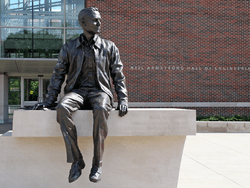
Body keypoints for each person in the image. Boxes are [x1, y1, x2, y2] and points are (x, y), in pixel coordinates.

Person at [33, 7, 128, 183]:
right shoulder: (69, 47)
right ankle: (77, 160)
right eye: (95, 20)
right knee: (62, 108)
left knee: (100, 109)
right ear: (83, 23)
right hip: (77, 92)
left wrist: (123, 98)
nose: (99, 23)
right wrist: (48, 101)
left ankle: (97, 164)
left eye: (99, 19)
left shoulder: (109, 47)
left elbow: (118, 74)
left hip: (100, 91)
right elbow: (58, 75)